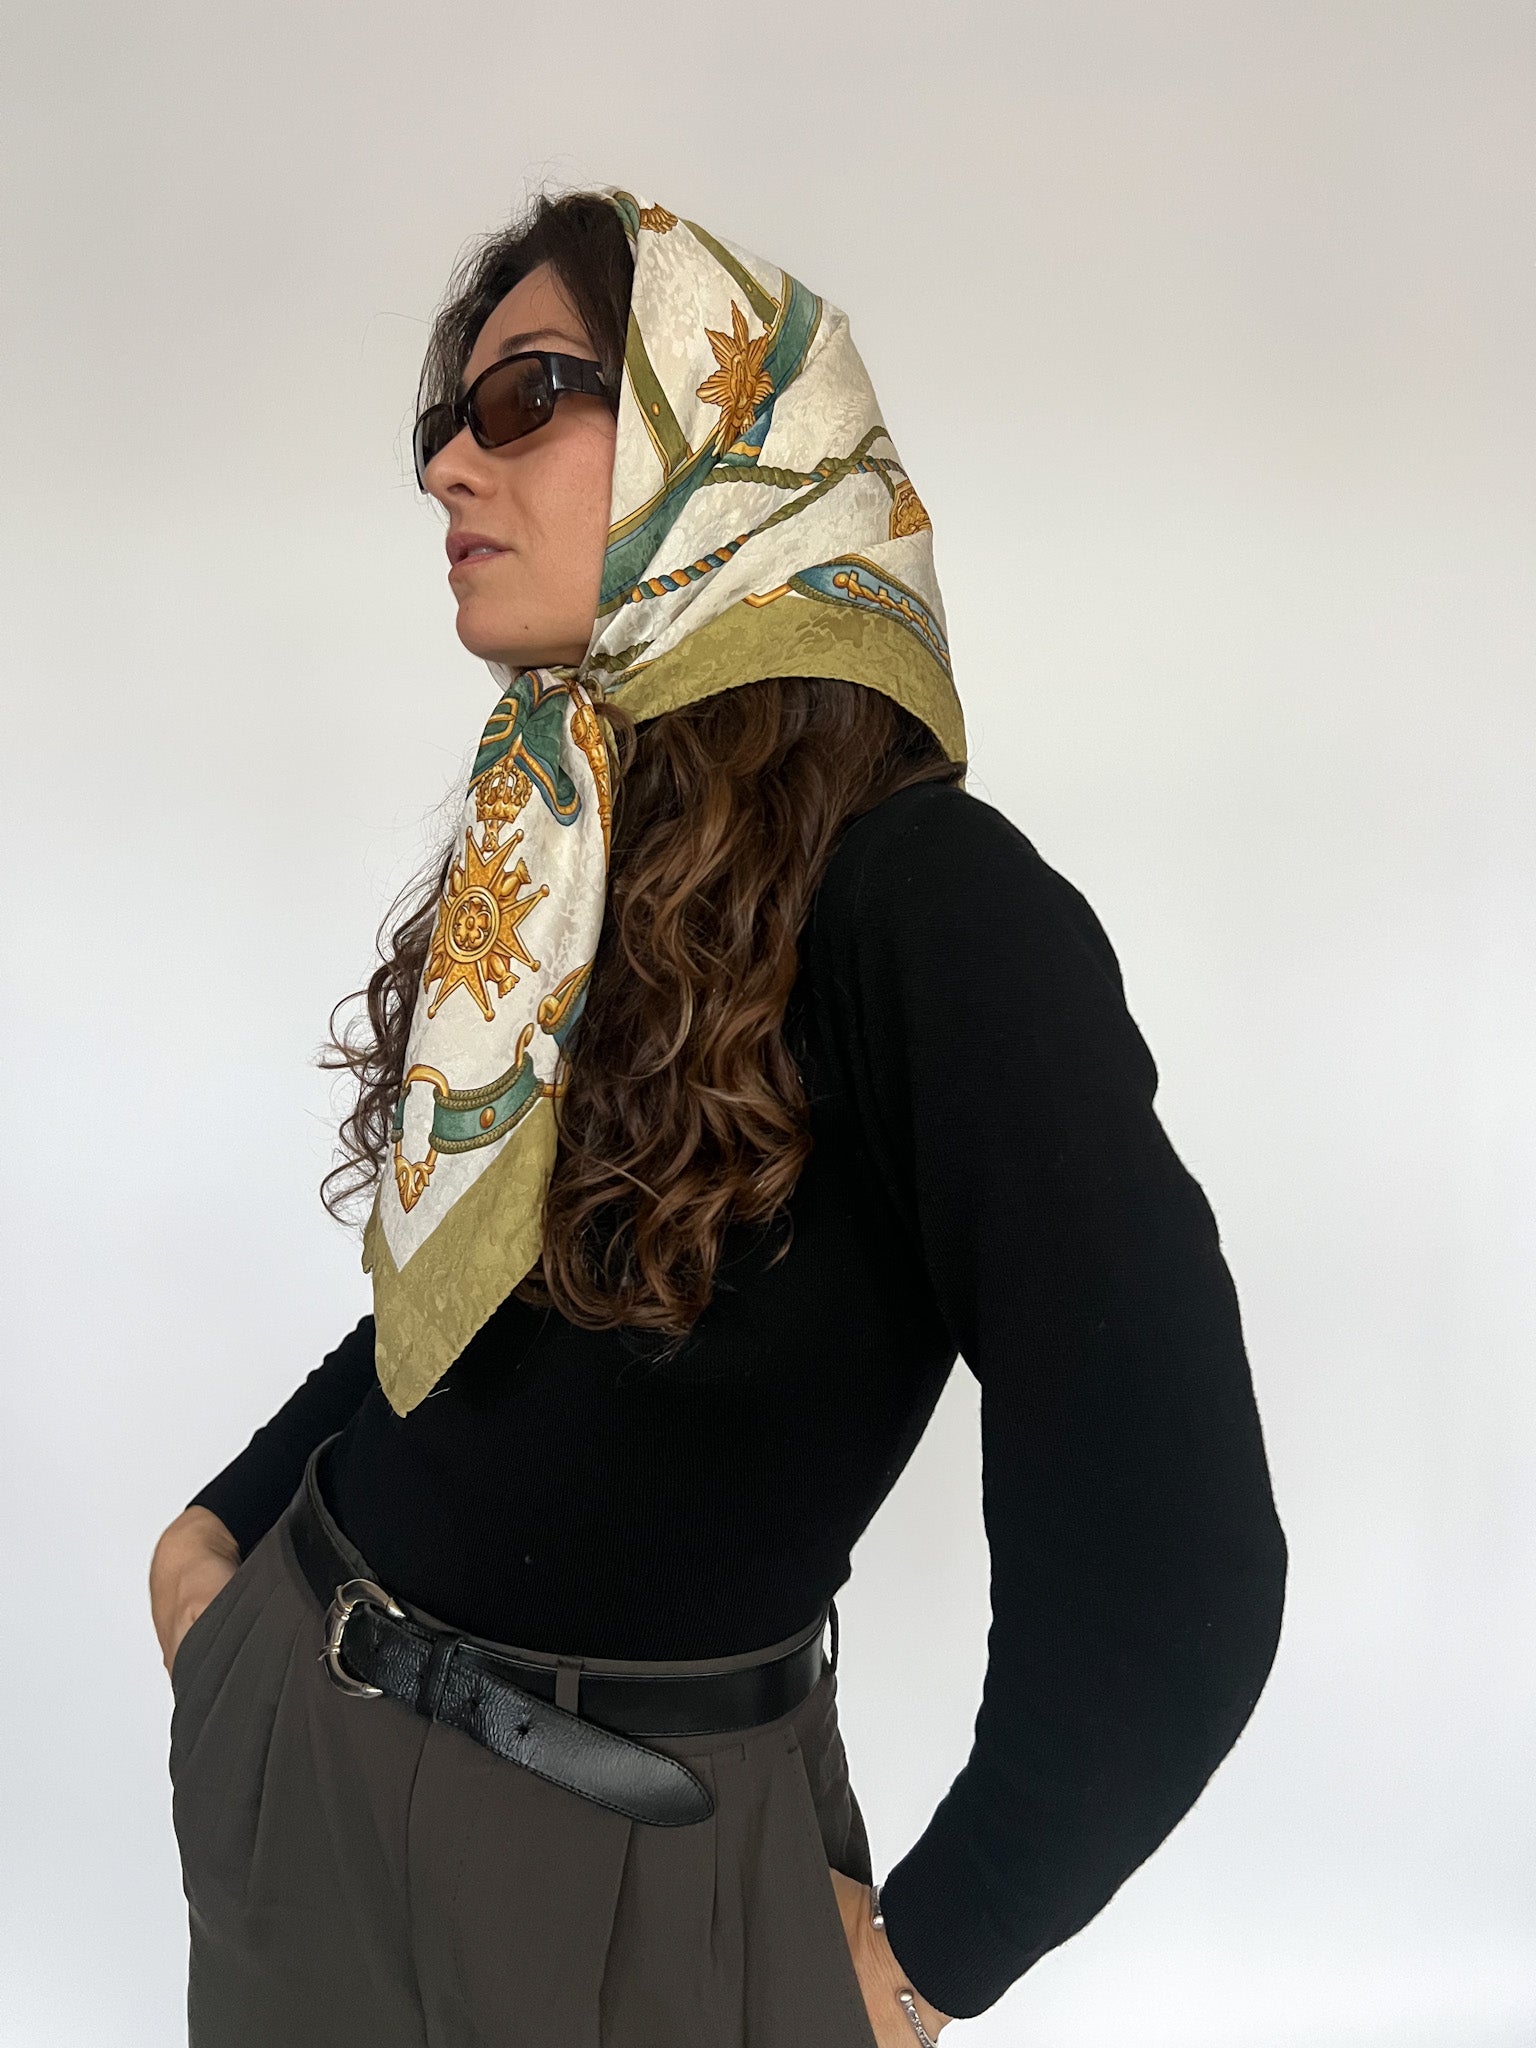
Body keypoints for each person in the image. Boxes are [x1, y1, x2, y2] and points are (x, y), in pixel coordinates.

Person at [148, 186, 1289, 2048]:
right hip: (304, 1754)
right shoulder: (574, 853)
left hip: (636, 1871)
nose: (446, 464)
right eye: (444, 415)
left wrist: (932, 1956)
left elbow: (1179, 1543)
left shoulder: (930, 905)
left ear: (728, 437)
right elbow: (466, 1306)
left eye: (523, 396)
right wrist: (220, 1542)